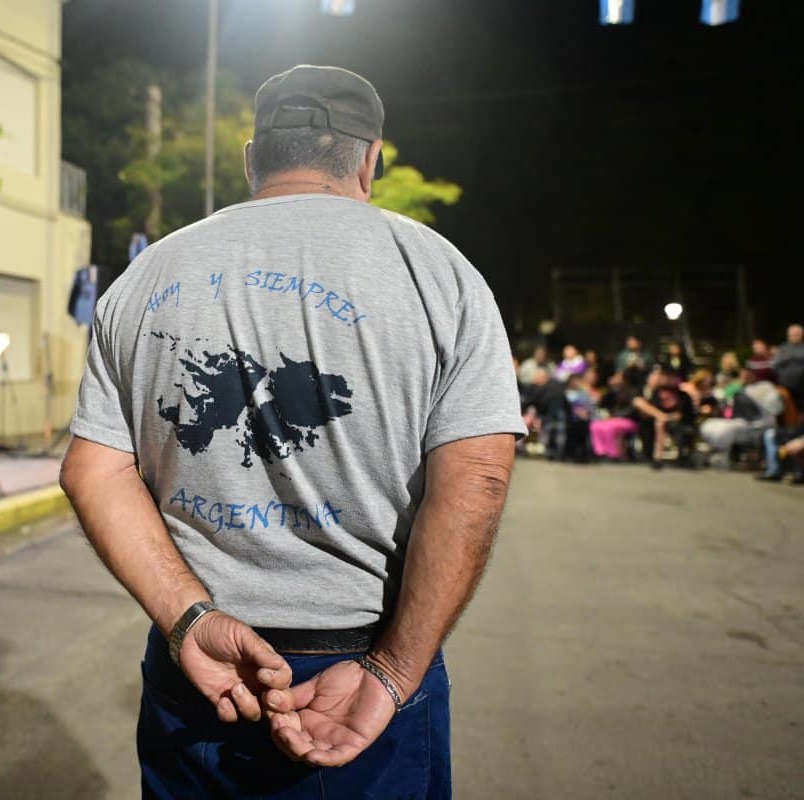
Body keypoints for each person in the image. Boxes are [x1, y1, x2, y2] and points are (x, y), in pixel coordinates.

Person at [60, 65, 525, 799]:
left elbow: (93, 470)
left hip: (204, 667)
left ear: (253, 158)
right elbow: (479, 479)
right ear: (369, 158)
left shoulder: (148, 276)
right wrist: (395, 673)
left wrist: (188, 621)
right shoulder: (442, 275)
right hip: (365, 668)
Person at [591, 373, 640, 461]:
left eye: (617, 377)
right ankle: (600, 452)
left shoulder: (632, 391)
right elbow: (602, 405)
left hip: (629, 420)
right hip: (613, 419)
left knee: (609, 427)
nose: (613, 379)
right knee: (596, 425)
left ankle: (613, 453)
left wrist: (616, 416)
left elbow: (632, 409)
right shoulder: (612, 392)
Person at [772, 324, 804, 408]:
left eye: (796, 335)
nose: (793, 337)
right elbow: (775, 365)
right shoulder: (783, 348)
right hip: (785, 383)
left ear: (801, 335)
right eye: (791, 335)